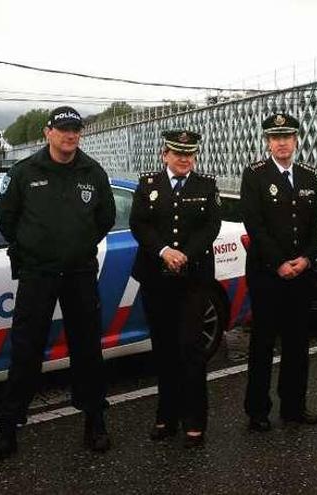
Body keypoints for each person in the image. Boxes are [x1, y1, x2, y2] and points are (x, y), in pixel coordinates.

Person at [0, 106, 116, 463]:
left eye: (75, 130)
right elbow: (5, 218)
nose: (69, 135)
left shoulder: (93, 172)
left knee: (88, 350)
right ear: (48, 133)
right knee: (25, 351)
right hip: (37, 275)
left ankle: (94, 421)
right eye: (62, 129)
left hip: (79, 274)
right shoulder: (25, 172)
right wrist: (34, 248)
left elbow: (105, 218)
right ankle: (7, 429)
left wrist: (77, 244)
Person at [129, 130, 221, 447]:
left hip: (193, 280)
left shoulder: (206, 185)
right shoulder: (148, 186)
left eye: (189, 154)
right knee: (164, 350)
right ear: (164, 154)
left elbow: (211, 226)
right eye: (177, 153)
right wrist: (164, 251)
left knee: (191, 350)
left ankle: (195, 421)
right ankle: (166, 416)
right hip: (157, 278)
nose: (184, 159)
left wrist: (185, 254)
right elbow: (139, 224)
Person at [240, 113, 317, 431]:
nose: (282, 142)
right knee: (262, 344)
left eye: (287, 137)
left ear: (296, 140)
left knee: (297, 344)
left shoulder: (307, 176)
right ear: (268, 142)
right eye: (276, 138)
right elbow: (255, 225)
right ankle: (257, 410)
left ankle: (294, 406)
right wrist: (279, 263)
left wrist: (306, 258)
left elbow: (316, 225)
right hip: (266, 274)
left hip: (301, 274)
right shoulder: (255, 176)